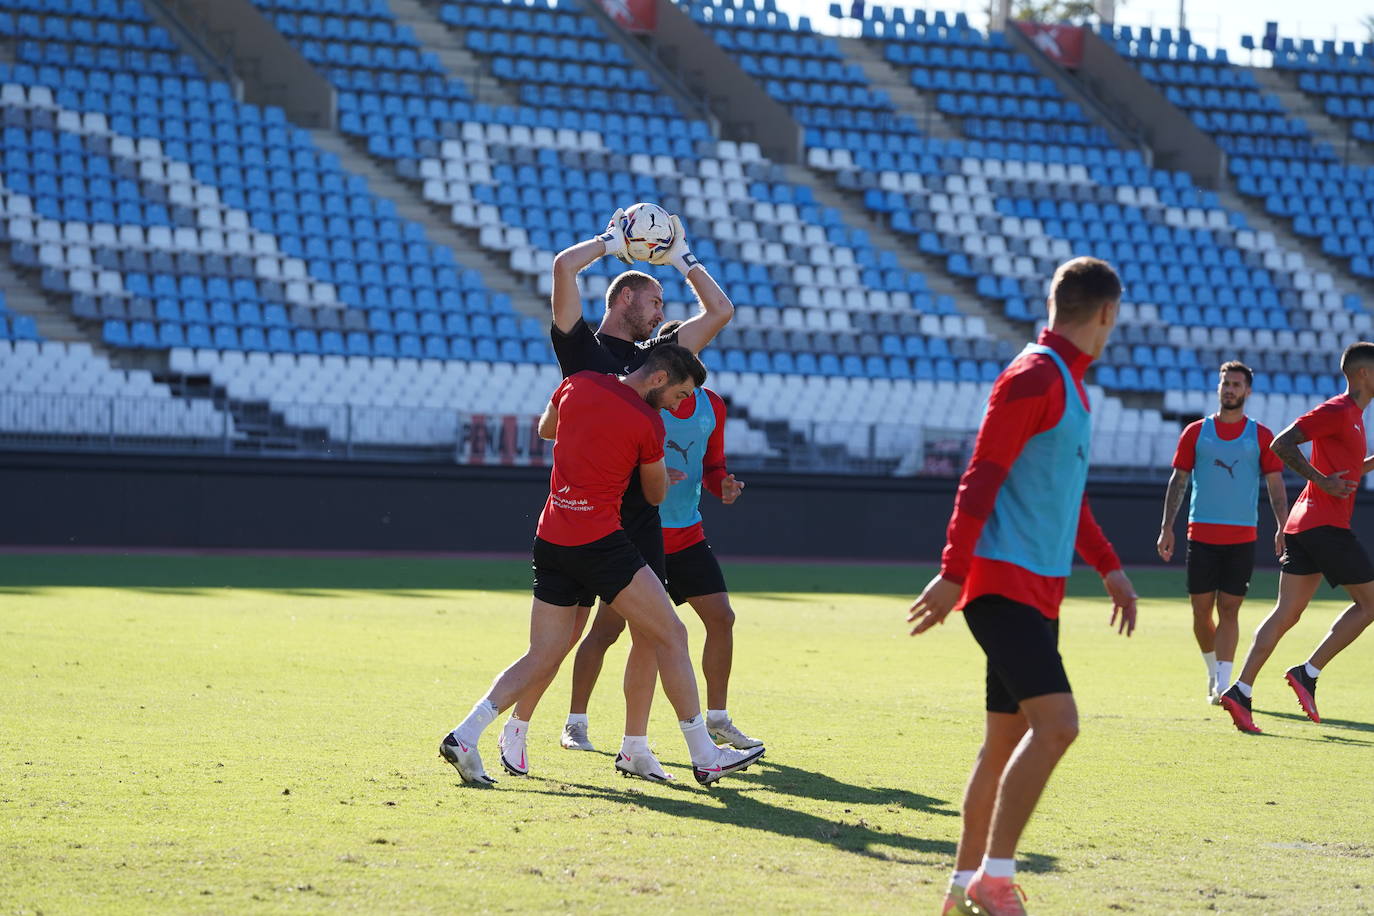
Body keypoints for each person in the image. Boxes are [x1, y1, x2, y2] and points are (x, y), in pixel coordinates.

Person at [906, 257, 1139, 916]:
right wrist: (954, 573)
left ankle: (960, 887)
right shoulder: (1035, 375)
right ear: (1106, 314)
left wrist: (1109, 566)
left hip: (1038, 590)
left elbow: (1068, 495)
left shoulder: (1068, 382)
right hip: (1001, 584)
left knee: (1004, 743)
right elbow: (980, 476)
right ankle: (994, 878)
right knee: (1059, 725)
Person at [439, 345, 765, 786]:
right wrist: (650, 468)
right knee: (671, 632)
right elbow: (652, 497)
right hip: (600, 542)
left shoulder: (578, 383)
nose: (681, 405)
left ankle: (465, 734)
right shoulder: (647, 421)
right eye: (681, 394)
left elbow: (548, 429)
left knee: (543, 653)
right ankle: (705, 755)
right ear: (658, 379)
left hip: (551, 536)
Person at [501, 209, 738, 780]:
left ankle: (635, 742)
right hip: (588, 518)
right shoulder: (582, 351)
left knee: (653, 636)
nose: (663, 311)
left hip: (640, 520)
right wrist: (613, 244)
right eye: (654, 301)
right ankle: (521, 728)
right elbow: (562, 266)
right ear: (624, 299)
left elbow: (721, 311)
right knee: (563, 639)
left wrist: (682, 259)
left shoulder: (660, 358)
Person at [562, 320, 762, 753]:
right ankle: (576, 722)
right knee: (608, 633)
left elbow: (712, 464)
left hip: (688, 534)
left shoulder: (711, 405)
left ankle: (718, 720)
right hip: (637, 536)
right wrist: (647, 476)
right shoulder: (643, 399)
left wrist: (722, 483)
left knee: (721, 619)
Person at [1219, 342, 1374, 734]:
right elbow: (1280, 443)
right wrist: (1321, 480)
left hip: (1305, 525)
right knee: (1371, 604)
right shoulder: (1339, 410)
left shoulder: (1354, 418)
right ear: (1364, 374)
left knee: (1287, 613)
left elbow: (1351, 470)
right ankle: (1308, 672)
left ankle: (1240, 689)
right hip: (1323, 526)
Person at [1157, 361, 1288, 705]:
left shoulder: (1260, 435)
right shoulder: (1196, 432)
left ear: (1248, 391)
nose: (1230, 389)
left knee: (1229, 609)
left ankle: (1224, 685)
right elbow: (1179, 480)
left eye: (1236, 384)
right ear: (1219, 388)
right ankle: (1212, 671)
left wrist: (1281, 526)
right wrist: (1166, 526)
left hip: (1242, 537)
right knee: (1201, 610)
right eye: (1225, 383)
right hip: (1200, 534)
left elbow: (1276, 486)